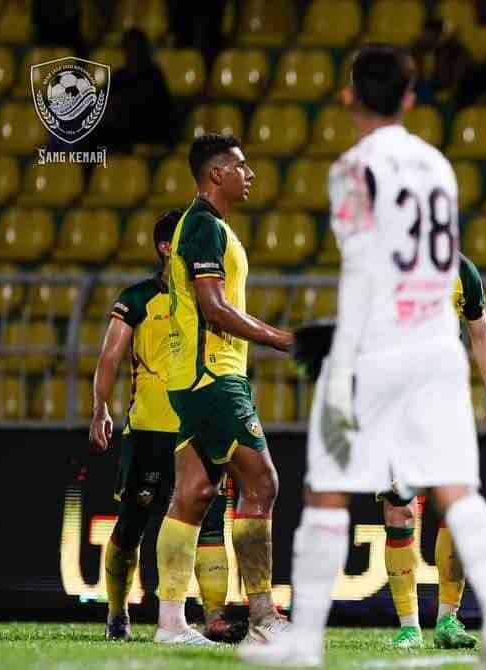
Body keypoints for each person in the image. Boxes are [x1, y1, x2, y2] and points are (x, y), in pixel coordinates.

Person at [241, 45, 486, 669]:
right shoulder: (439, 165)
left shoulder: (351, 169)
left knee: (328, 491)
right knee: (459, 490)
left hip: (376, 349)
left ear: (348, 96)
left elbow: (366, 267)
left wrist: (342, 341)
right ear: (411, 98)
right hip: (437, 348)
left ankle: (305, 642)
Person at [153, 133, 294, 645]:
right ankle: (262, 617)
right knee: (263, 484)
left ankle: (170, 623)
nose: (249, 174)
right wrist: (281, 338)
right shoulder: (205, 230)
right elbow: (212, 307)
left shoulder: (209, 227)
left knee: (193, 494)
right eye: (241, 166)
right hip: (212, 376)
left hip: (194, 377)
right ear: (217, 174)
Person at [89, 209, 243, 644]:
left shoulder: (211, 297)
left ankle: (215, 617)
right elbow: (109, 358)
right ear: (165, 247)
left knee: (212, 524)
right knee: (132, 522)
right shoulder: (138, 299)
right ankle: (118, 614)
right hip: (150, 429)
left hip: (199, 422)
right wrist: (100, 408)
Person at [383, 252, 486, 650]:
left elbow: (480, 332)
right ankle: (408, 625)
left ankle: (447, 621)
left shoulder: (462, 270)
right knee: (398, 508)